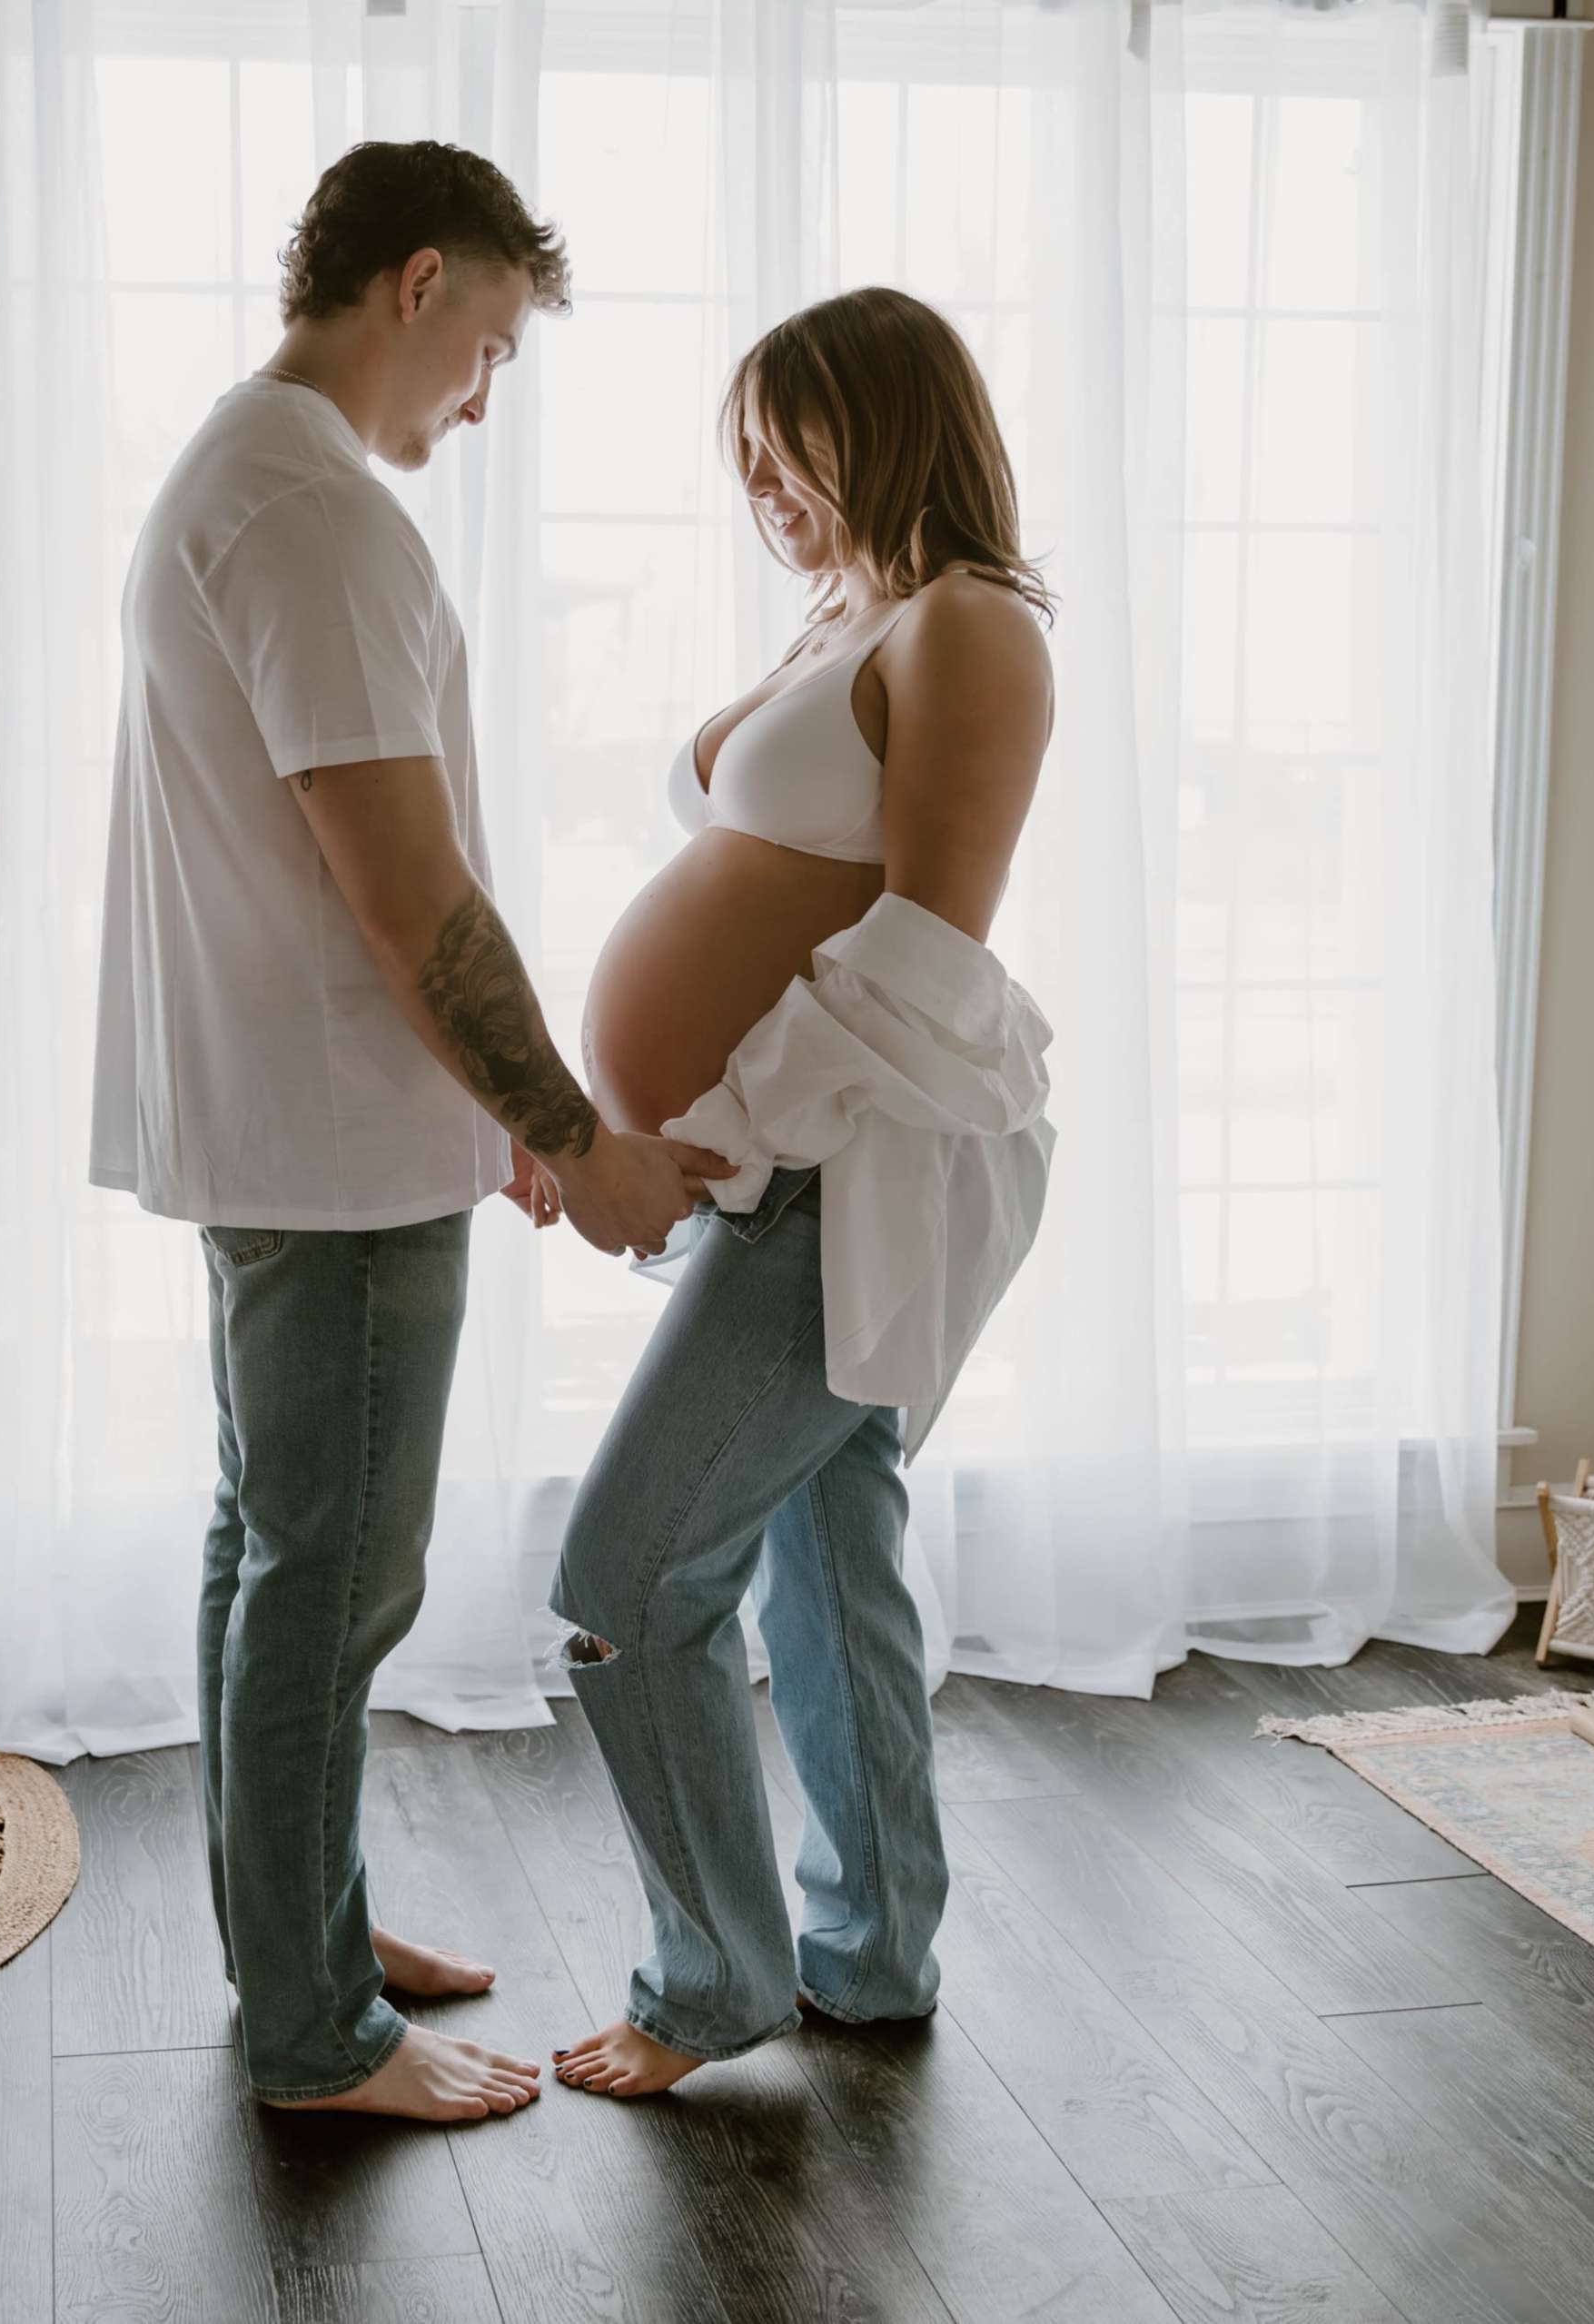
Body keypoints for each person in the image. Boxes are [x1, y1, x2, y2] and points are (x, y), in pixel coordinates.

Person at [90, 140, 722, 2123]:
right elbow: (410, 895)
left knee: (268, 1551)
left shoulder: (237, 477)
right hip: (333, 1152)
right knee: (331, 1577)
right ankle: (315, 2032)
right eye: (497, 344)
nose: (486, 390)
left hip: (296, 1127)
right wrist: (583, 1138)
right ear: (421, 281)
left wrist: (499, 1110)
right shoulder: (316, 519)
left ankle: (298, 1927)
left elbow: (360, 880)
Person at [549, 286, 1061, 2098]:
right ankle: (871, 1952)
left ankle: (713, 1980)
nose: (761, 474)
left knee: (623, 1569)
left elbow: (927, 950)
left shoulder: (971, 625)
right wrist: (600, 1109)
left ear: (892, 417)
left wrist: (715, 1134)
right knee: (827, 1558)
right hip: (780, 1168)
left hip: (840, 1177)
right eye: (743, 445)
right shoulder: (841, 617)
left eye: (793, 434)